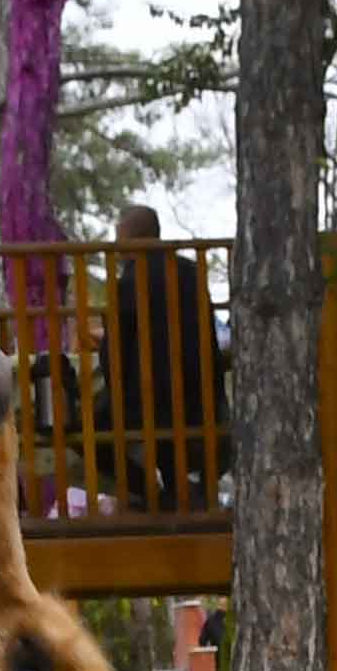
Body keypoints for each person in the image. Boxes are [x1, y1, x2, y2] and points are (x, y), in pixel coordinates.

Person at [94, 200, 222, 513]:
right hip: (202, 396)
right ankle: (190, 489)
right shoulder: (190, 272)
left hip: (148, 402)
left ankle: (153, 491)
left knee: (92, 425)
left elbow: (114, 353)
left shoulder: (130, 281)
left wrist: (115, 389)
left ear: (128, 239)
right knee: (170, 410)